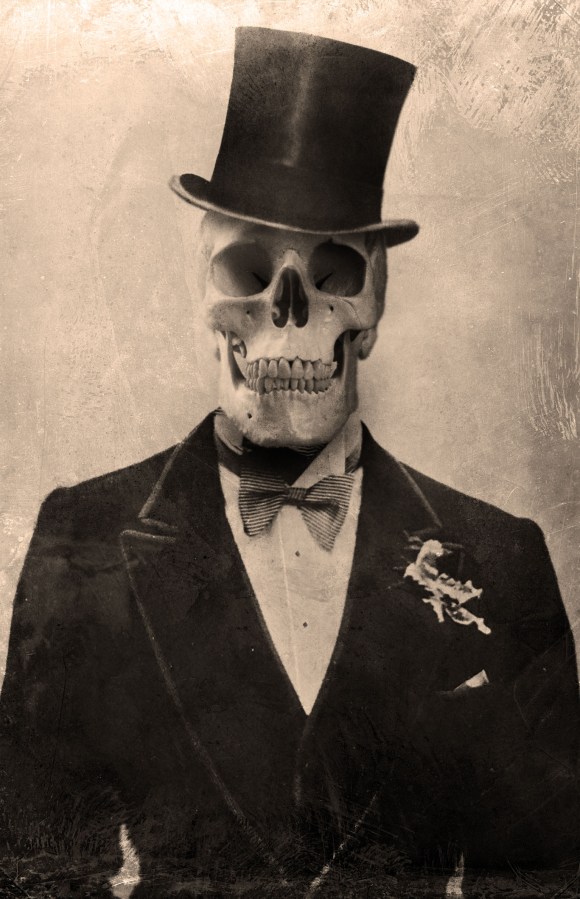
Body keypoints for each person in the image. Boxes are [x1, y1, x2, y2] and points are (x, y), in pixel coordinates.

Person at [0, 27, 578, 899]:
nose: (290, 308)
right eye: (250, 269)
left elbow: (546, 878)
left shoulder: (503, 561)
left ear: (374, 302)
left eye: (332, 272)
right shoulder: (81, 539)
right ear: (207, 292)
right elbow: (34, 874)